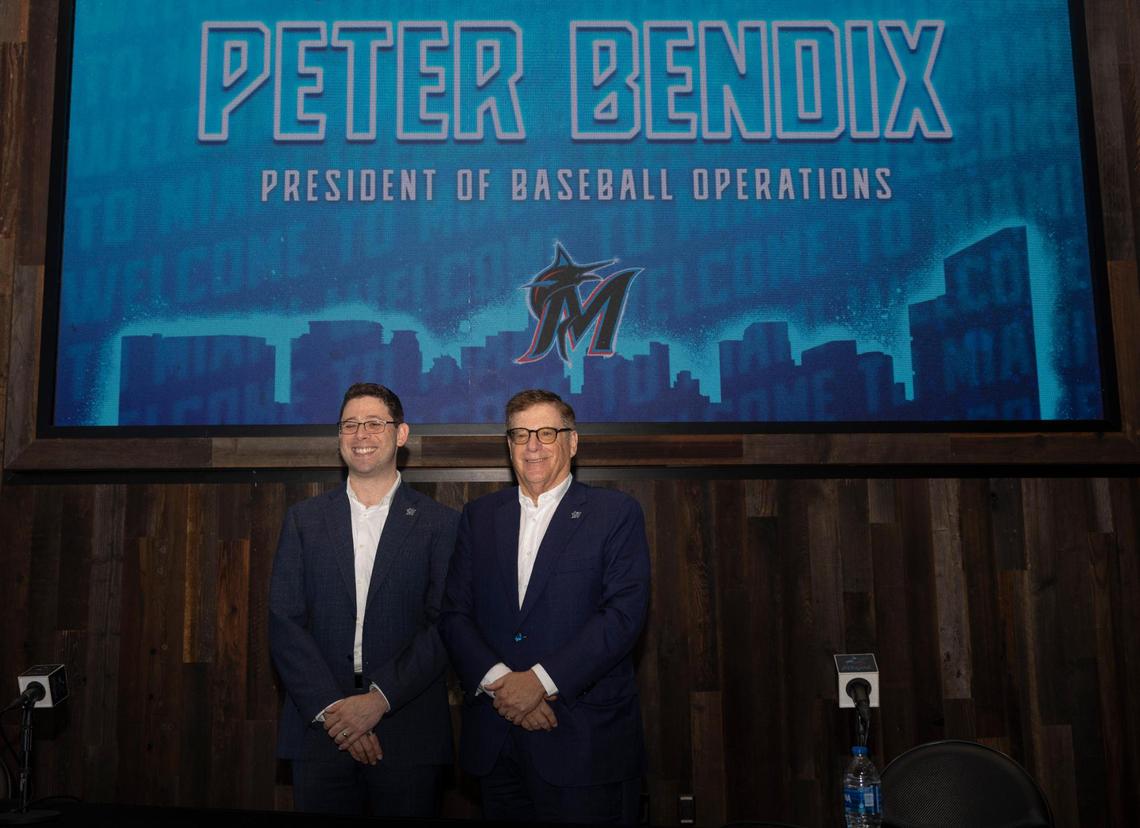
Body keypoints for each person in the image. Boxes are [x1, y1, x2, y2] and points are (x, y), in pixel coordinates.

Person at [440, 388, 651, 825]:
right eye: (520, 434)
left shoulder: (615, 513)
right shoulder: (479, 517)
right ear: (509, 446)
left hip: (583, 744)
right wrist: (504, 686)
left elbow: (622, 616)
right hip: (497, 743)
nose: (532, 445)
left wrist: (539, 682)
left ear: (572, 442)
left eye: (546, 433)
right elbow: (455, 614)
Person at [269, 382, 458, 817]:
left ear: (401, 434)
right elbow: (284, 622)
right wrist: (336, 712)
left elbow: (445, 623)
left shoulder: (440, 524)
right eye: (350, 425)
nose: (361, 435)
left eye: (374, 423)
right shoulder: (303, 521)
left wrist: (378, 700)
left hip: (407, 729)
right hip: (320, 728)